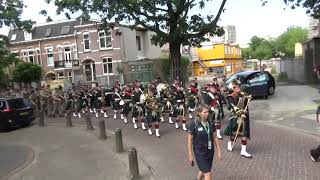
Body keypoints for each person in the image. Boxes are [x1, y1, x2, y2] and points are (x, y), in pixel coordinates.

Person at [187, 104, 222, 180]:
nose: (207, 114)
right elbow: (190, 140)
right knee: (208, 173)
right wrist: (190, 155)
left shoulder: (211, 122)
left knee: (204, 170)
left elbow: (215, 137)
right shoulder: (194, 123)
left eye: (208, 112)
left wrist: (219, 151)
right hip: (199, 152)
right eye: (204, 112)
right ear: (199, 113)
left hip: (210, 151)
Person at [224, 82, 252, 158]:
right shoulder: (230, 97)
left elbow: (246, 103)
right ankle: (230, 142)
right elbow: (231, 106)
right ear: (232, 89)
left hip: (244, 117)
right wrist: (241, 113)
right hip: (235, 117)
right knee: (234, 134)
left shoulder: (243, 94)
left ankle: (243, 151)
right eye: (235, 87)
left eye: (238, 87)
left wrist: (249, 98)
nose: (237, 88)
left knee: (244, 134)